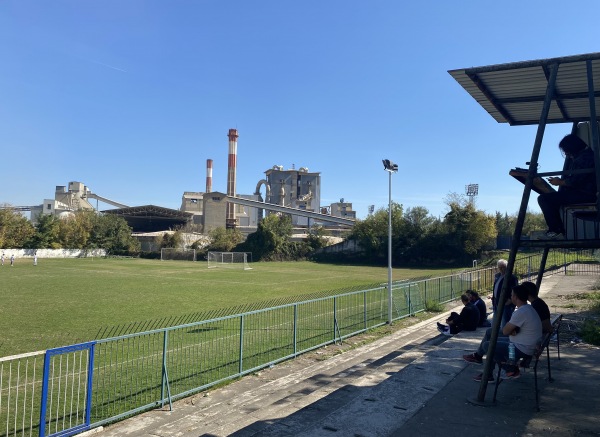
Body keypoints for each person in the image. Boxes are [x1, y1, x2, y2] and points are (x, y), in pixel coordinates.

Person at [463, 284, 542, 381]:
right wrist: (511, 330)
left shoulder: (521, 312)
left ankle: (511, 369)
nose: (511, 297)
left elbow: (505, 331)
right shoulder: (528, 308)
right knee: (491, 336)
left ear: (516, 297)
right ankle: (487, 372)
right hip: (525, 344)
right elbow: (512, 329)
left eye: (512, 295)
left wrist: (511, 330)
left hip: (521, 348)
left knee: (488, 346)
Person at [538, 133, 597, 240]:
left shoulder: (584, 158)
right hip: (585, 193)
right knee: (550, 199)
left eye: (566, 150)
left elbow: (575, 181)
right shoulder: (586, 155)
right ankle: (556, 230)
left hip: (586, 194)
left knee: (544, 199)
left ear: (572, 147)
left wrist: (560, 182)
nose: (565, 153)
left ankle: (556, 231)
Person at [492, 259, 518, 327]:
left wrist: (510, 300)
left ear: (506, 267)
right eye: (499, 267)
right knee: (494, 325)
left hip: (505, 304)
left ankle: (504, 337)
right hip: (496, 302)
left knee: (505, 323)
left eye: (502, 267)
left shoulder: (511, 277)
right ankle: (494, 337)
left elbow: (515, 289)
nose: (500, 269)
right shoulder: (498, 276)